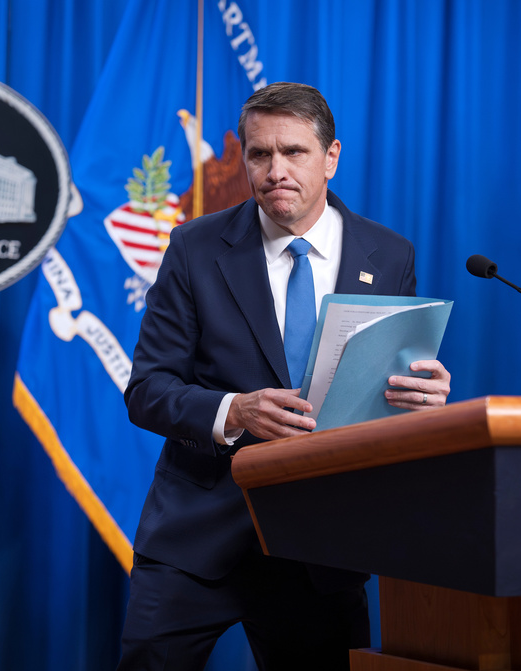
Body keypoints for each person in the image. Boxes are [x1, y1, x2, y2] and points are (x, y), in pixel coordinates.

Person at [117, 82, 451, 671]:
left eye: (294, 152)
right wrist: (234, 411)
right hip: (197, 537)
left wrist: (419, 398)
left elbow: (381, 397)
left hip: (321, 545)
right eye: (259, 154)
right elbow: (147, 390)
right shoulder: (195, 247)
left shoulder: (388, 255)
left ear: (331, 157)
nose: (275, 171)